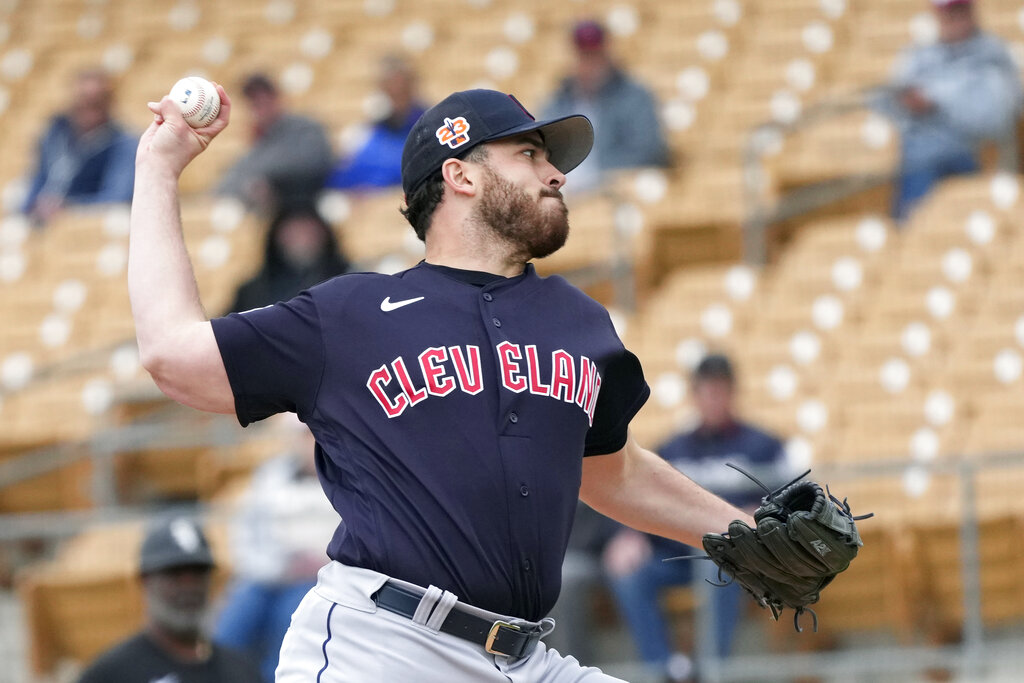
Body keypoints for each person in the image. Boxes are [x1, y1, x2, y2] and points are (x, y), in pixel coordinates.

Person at [128, 84, 753, 682]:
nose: (556, 174)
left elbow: (611, 471)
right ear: (462, 175)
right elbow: (172, 354)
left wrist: (742, 536)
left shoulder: (579, 321)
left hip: (525, 656)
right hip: (382, 647)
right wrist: (158, 167)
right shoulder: (350, 316)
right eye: (530, 155)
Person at [601, 354, 790, 682]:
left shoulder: (764, 445)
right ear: (695, 395)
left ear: (733, 392)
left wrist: (755, 519)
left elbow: (787, 507)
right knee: (629, 573)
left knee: (716, 562)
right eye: (706, 391)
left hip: (739, 559)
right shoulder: (673, 449)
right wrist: (629, 535)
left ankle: (710, 670)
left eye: (719, 390)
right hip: (676, 554)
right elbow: (643, 497)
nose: (713, 398)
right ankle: (663, 670)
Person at [214, 414, 340, 682]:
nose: (311, 442)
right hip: (268, 575)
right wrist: (276, 567)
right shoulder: (269, 477)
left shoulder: (346, 481)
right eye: (304, 435)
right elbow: (247, 534)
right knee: (232, 622)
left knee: (289, 625)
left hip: (319, 580)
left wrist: (321, 564)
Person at [875, 0, 1022, 220]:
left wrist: (935, 102)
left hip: (974, 157)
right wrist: (906, 104)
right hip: (920, 163)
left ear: (972, 10)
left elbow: (996, 114)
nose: (953, 17)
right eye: (946, 12)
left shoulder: (992, 53)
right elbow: (888, 102)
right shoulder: (918, 55)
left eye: (959, 9)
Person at [77, 516, 262, 683]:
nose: (189, 587)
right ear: (145, 581)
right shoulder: (111, 675)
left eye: (198, 572)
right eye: (175, 574)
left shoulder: (242, 671)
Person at [541, 19, 670, 191]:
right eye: (584, 56)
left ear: (607, 54)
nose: (590, 64)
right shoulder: (559, 99)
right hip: (565, 187)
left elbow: (649, 150)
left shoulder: (635, 96)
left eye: (595, 55)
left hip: (614, 188)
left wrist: (599, 175)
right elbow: (540, 146)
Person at [22, 68, 137, 226]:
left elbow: (118, 197)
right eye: (83, 100)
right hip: (41, 221)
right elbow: (38, 180)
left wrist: (69, 208)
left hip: (83, 225)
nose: (88, 106)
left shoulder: (124, 144)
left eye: (96, 102)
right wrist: (29, 208)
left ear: (109, 102)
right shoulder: (54, 133)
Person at [216, 73, 333, 213]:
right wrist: (251, 186)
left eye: (264, 102)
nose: (260, 110)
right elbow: (226, 185)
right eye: (254, 104)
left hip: (308, 211)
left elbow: (313, 162)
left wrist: (270, 181)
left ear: (277, 99)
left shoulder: (306, 129)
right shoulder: (259, 141)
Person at [324, 54, 428, 191]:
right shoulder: (367, 131)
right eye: (389, 86)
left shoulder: (427, 124)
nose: (395, 90)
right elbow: (345, 172)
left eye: (400, 85)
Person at [227, 204, 350, 313]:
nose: (301, 239)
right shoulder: (253, 291)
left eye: (308, 231)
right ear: (277, 236)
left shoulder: (347, 282)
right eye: (293, 232)